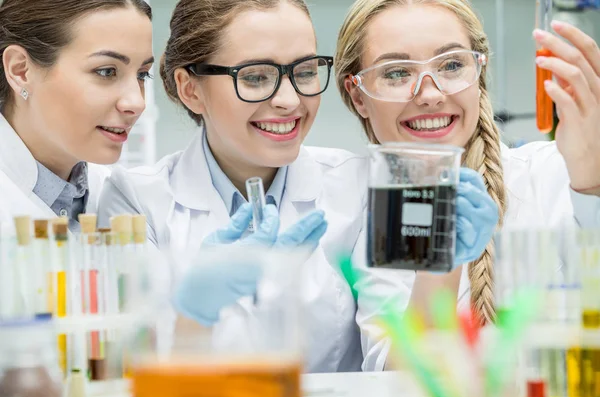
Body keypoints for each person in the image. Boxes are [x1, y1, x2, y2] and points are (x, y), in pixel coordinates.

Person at [98, 0, 498, 373]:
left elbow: (397, 369)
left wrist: (438, 266)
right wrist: (196, 313)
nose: (290, 100)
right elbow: (130, 374)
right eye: (255, 77)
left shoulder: (361, 186)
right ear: (190, 88)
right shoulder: (136, 200)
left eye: (305, 72)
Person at [334, 0, 600, 369]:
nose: (429, 94)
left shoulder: (556, 171)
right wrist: (439, 265)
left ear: (479, 71)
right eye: (396, 72)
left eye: (452, 64)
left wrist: (592, 179)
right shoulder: (377, 225)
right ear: (358, 96)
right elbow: (398, 380)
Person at [0, 0, 153, 231]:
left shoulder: (120, 198)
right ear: (21, 71)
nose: (137, 103)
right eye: (106, 71)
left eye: (142, 75)